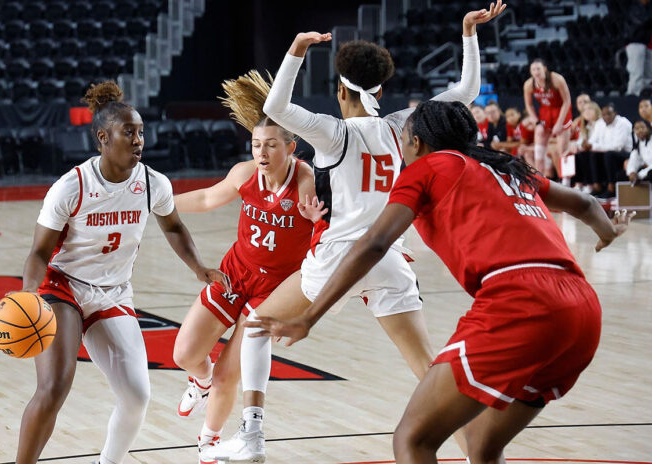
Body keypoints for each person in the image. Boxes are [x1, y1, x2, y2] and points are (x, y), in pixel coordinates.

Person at [247, 100, 634, 464]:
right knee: (482, 446)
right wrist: (606, 233)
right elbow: (585, 204)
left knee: (412, 439)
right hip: (582, 309)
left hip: (520, 300)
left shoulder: (427, 168)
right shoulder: (508, 167)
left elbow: (376, 242)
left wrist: (311, 316)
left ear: (416, 142)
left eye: (403, 141)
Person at [202, 2, 506, 462]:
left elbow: (274, 106)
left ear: (340, 89)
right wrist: (468, 32)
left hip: (339, 257)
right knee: (427, 368)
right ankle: (476, 456)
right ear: (381, 87)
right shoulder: (402, 124)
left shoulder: (333, 133)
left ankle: (252, 438)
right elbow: (466, 89)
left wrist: (296, 50)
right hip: (389, 258)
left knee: (258, 323)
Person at [14, 81, 228, 464]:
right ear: (103, 137)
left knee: (136, 397)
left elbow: (174, 227)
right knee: (55, 387)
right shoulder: (71, 186)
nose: (138, 140)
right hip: (63, 288)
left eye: (141, 132)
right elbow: (39, 252)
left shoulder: (152, 183)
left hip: (113, 292)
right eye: (129, 132)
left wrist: (199, 267)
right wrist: (29, 294)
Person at [171, 70, 321, 464]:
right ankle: (197, 382)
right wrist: (161, 202)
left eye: (271, 145)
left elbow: (326, 229)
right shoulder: (244, 174)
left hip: (273, 291)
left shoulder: (305, 181)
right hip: (236, 273)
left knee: (227, 374)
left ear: (291, 148)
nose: (262, 152)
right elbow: (205, 200)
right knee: (185, 354)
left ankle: (209, 442)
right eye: (256, 144)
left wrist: (318, 221)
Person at [523, 58, 572, 179]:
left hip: (561, 110)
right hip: (545, 111)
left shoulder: (557, 79)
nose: (536, 72)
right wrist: (536, 121)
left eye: (538, 68)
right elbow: (528, 105)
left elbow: (567, 101)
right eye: (533, 69)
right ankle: (540, 181)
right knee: (539, 146)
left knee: (563, 151)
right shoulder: (529, 84)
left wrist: (560, 123)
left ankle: (567, 183)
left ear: (544, 69)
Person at [585, 103, 633, 198]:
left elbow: (617, 147)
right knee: (592, 155)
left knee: (608, 154)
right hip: (608, 152)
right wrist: (590, 146)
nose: (606, 117)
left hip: (626, 154)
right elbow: (591, 141)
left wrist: (594, 147)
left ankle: (611, 187)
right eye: (604, 114)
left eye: (609, 114)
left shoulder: (623, 123)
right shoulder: (600, 123)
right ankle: (597, 187)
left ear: (615, 113)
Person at [625, 0, 652, 96]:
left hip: (646, 42)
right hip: (635, 42)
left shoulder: (648, 6)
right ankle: (633, 94)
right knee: (636, 72)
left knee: (648, 73)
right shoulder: (634, 7)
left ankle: (646, 93)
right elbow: (641, 21)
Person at [627, 119, 652, 184]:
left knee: (650, 174)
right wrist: (632, 172)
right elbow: (634, 159)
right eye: (636, 129)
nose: (640, 131)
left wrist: (640, 175)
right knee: (621, 175)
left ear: (649, 128)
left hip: (649, 171)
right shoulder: (639, 143)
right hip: (647, 169)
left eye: (642, 127)